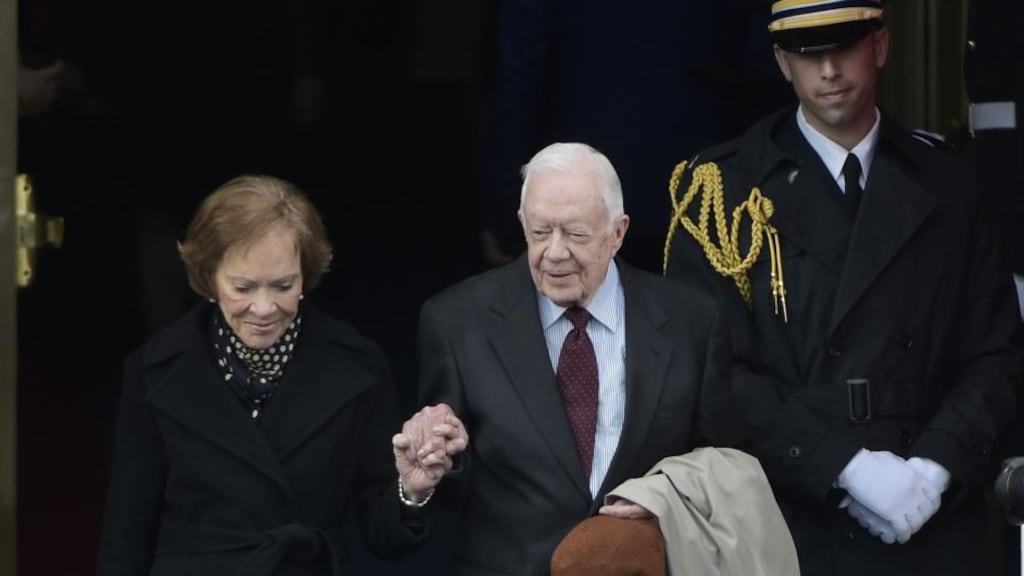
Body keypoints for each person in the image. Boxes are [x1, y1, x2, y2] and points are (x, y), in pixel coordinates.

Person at [663, 1, 1020, 574]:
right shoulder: (725, 190)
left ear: (879, 46)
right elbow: (712, 371)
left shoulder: (951, 182)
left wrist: (935, 466)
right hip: (792, 517)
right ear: (782, 61)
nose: (828, 69)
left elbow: (995, 354)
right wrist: (846, 467)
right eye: (808, 53)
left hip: (932, 513)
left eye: (844, 46)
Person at [96, 175, 466, 576]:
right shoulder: (154, 370)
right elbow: (127, 533)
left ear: (305, 275)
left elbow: (383, 536)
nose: (263, 307)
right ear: (208, 279)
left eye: (283, 285)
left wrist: (410, 490)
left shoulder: (358, 365)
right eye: (243, 287)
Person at [417, 142, 736, 575]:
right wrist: (426, 472)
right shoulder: (457, 323)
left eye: (577, 234)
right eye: (539, 232)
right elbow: (443, 490)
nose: (554, 252)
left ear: (618, 233)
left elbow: (721, 470)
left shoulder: (690, 322)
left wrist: (662, 505)